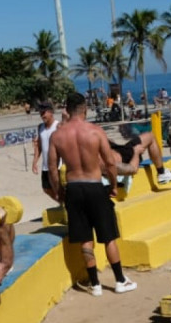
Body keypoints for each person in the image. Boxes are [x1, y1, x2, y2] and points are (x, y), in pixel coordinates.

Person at [47, 92, 137, 296]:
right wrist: (114, 185)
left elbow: (53, 168)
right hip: (94, 186)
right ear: (85, 109)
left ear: (67, 110)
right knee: (109, 237)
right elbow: (110, 163)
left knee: (85, 238)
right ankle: (120, 280)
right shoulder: (95, 131)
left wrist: (59, 192)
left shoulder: (57, 136)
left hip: (74, 189)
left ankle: (95, 284)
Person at [107, 131, 171, 185]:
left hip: (120, 151)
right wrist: (136, 152)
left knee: (149, 135)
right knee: (150, 137)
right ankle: (162, 173)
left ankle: (162, 172)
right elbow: (133, 170)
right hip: (124, 156)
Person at [32, 102, 61, 201]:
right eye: (40, 114)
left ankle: (65, 205)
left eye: (44, 113)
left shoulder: (58, 126)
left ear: (51, 112)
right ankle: (62, 203)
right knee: (46, 189)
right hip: (45, 166)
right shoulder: (40, 127)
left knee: (59, 190)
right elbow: (39, 146)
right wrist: (35, 162)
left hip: (58, 166)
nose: (42, 116)